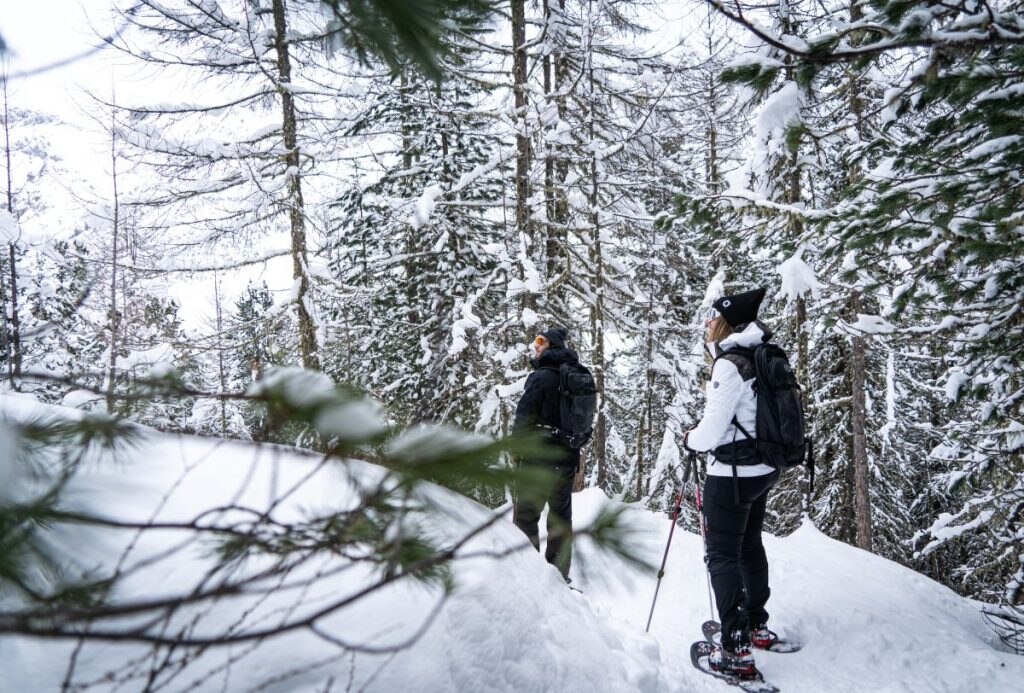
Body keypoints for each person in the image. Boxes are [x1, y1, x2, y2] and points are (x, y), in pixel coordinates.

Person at [683, 287, 780, 680]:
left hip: (732, 474)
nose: (707, 322)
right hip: (764, 468)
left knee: (722, 554)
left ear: (724, 321)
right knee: (750, 545)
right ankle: (755, 624)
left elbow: (710, 432)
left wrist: (690, 438)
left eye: (712, 316)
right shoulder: (765, 354)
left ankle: (735, 649)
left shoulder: (729, 363)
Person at [511, 326, 581, 582]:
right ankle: (559, 579)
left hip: (538, 458)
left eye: (541, 341)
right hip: (567, 460)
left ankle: (529, 580)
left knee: (527, 517)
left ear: (552, 345)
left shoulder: (542, 377)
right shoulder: (574, 376)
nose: (536, 345)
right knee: (560, 520)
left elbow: (524, 416)